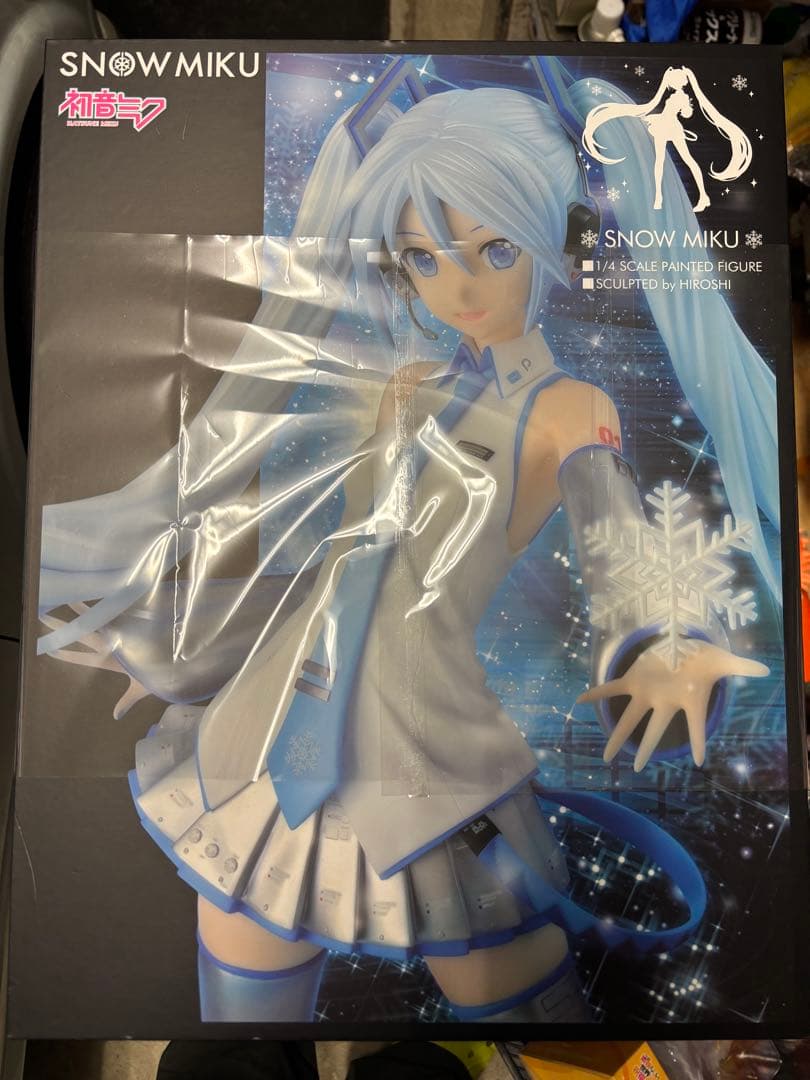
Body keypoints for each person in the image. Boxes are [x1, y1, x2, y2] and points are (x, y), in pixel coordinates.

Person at [37, 57, 778, 1024]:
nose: (458, 287)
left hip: (427, 756)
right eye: (425, 258)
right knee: (239, 988)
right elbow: (340, 563)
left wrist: (661, 639)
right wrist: (190, 644)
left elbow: (618, 538)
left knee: (518, 1001)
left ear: (558, 236)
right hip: (274, 735)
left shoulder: (567, 408)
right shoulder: (406, 387)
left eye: (494, 250)